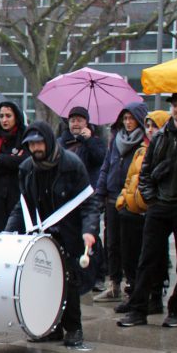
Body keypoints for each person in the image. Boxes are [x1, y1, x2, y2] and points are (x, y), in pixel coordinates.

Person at [116, 92, 177, 329]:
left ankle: (176, 310)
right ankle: (139, 309)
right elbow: (145, 172)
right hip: (159, 205)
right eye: (175, 105)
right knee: (147, 259)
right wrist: (151, 198)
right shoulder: (161, 138)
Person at [4, 121, 100, 349]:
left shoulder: (72, 165)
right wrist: (8, 233)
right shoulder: (27, 168)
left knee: (69, 281)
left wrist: (89, 230)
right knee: (44, 280)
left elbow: (88, 203)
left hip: (69, 230)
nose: (35, 148)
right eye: (31, 144)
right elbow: (23, 204)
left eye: (39, 143)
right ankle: (52, 327)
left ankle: (74, 328)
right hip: (41, 232)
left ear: (47, 141)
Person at [93, 102, 148, 303]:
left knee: (131, 244)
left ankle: (132, 284)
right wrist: (100, 192)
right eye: (125, 118)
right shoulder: (116, 139)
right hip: (111, 196)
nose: (128, 122)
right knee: (112, 243)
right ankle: (113, 283)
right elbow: (106, 166)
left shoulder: (144, 142)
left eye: (131, 118)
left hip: (131, 199)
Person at [115, 111, 166, 305]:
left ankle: (153, 296)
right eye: (148, 126)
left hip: (152, 210)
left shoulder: (165, 149)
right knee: (130, 254)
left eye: (155, 126)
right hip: (132, 210)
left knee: (151, 256)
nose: (151, 130)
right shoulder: (141, 150)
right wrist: (123, 201)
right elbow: (130, 178)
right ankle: (134, 292)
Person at [59, 106, 107, 290]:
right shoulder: (62, 142)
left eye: (79, 120)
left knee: (91, 235)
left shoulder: (95, 141)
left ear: (87, 122)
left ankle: (98, 274)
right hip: (66, 196)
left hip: (87, 194)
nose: (75, 124)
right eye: (72, 120)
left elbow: (100, 159)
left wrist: (88, 142)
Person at [0, 101, 27, 238]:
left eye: (8, 116)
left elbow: (23, 163)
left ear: (16, 117)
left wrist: (0, 158)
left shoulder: (25, 138)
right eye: (1, 116)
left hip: (17, 194)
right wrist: (11, 159)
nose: (4, 120)